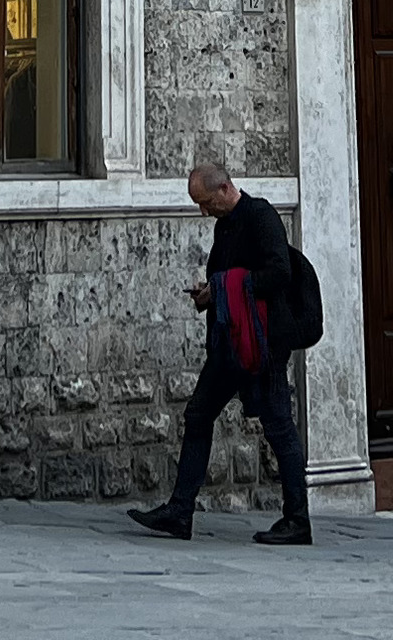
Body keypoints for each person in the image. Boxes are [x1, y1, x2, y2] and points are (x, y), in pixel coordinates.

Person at [128, 152, 309, 548]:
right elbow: (226, 280)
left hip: (263, 345)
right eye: (199, 206)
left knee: (279, 428)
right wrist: (211, 293)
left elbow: (278, 272)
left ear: (226, 188)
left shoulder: (262, 218)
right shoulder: (223, 226)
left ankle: (298, 519)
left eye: (207, 203)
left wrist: (225, 286)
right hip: (230, 343)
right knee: (198, 415)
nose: (204, 212)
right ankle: (180, 512)